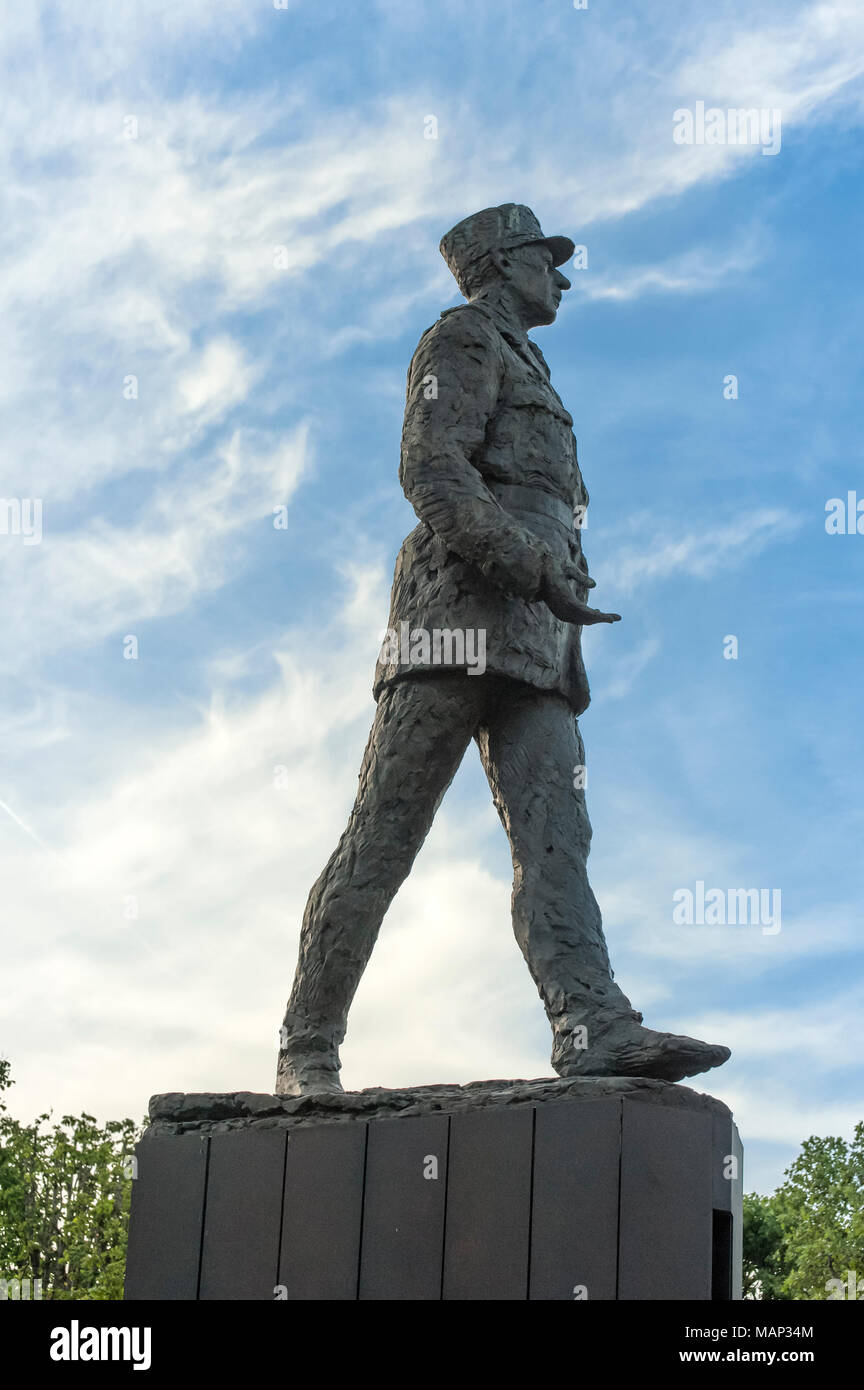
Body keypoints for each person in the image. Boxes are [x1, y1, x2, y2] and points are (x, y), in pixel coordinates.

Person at [276, 204, 730, 1095]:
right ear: (498, 264)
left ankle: (592, 1024)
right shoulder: (461, 339)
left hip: (537, 633)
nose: (562, 276)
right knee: (385, 836)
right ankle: (308, 1046)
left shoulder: (535, 367)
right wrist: (527, 562)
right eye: (544, 259)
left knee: (559, 833)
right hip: (452, 620)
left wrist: (555, 582)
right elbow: (430, 467)